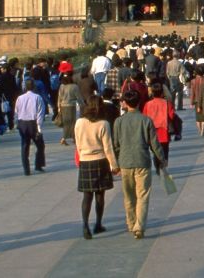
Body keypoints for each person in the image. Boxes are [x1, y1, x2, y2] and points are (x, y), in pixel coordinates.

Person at [113, 90, 165, 239]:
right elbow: (154, 143)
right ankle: (140, 226)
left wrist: (115, 162)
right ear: (138, 103)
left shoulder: (118, 121)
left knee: (129, 196)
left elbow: (115, 144)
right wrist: (161, 158)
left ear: (125, 103)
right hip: (142, 161)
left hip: (125, 162)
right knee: (142, 195)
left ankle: (131, 223)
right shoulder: (146, 120)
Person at [75, 95, 119, 239]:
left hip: (85, 160)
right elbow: (108, 148)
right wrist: (114, 165)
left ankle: (85, 224)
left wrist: (82, 155)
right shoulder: (104, 124)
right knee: (100, 195)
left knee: (87, 196)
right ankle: (98, 223)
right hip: (100, 161)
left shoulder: (79, 122)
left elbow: (78, 143)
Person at [141, 82, 176, 174]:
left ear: (152, 92)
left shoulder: (148, 104)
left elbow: (144, 117)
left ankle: (157, 165)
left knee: (154, 150)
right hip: (164, 130)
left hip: (152, 131)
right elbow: (172, 115)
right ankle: (164, 165)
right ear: (162, 93)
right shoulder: (166, 103)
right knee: (165, 149)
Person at [14, 79, 47, 175]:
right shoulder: (38, 97)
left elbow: (16, 111)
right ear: (34, 87)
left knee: (25, 146)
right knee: (40, 145)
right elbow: (40, 113)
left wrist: (16, 123)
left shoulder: (20, 98)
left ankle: (26, 169)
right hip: (33, 123)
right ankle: (38, 165)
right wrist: (39, 127)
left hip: (22, 123)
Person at [57, 71, 84, 146]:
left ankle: (72, 137)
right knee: (71, 122)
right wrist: (83, 105)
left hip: (63, 105)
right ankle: (65, 138)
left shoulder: (62, 86)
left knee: (66, 122)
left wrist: (58, 106)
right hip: (71, 106)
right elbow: (78, 97)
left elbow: (59, 97)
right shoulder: (74, 86)